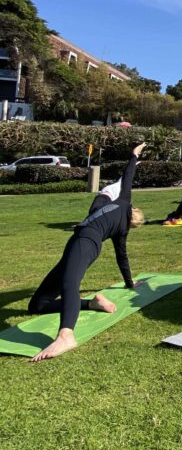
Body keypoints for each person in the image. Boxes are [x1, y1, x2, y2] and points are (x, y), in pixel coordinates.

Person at [28, 144, 147, 362]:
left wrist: (134, 155)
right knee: (37, 305)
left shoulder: (122, 204)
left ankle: (66, 335)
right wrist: (129, 283)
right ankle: (92, 303)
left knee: (69, 283)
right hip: (77, 241)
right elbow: (122, 258)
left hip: (86, 241)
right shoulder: (123, 213)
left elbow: (127, 176)